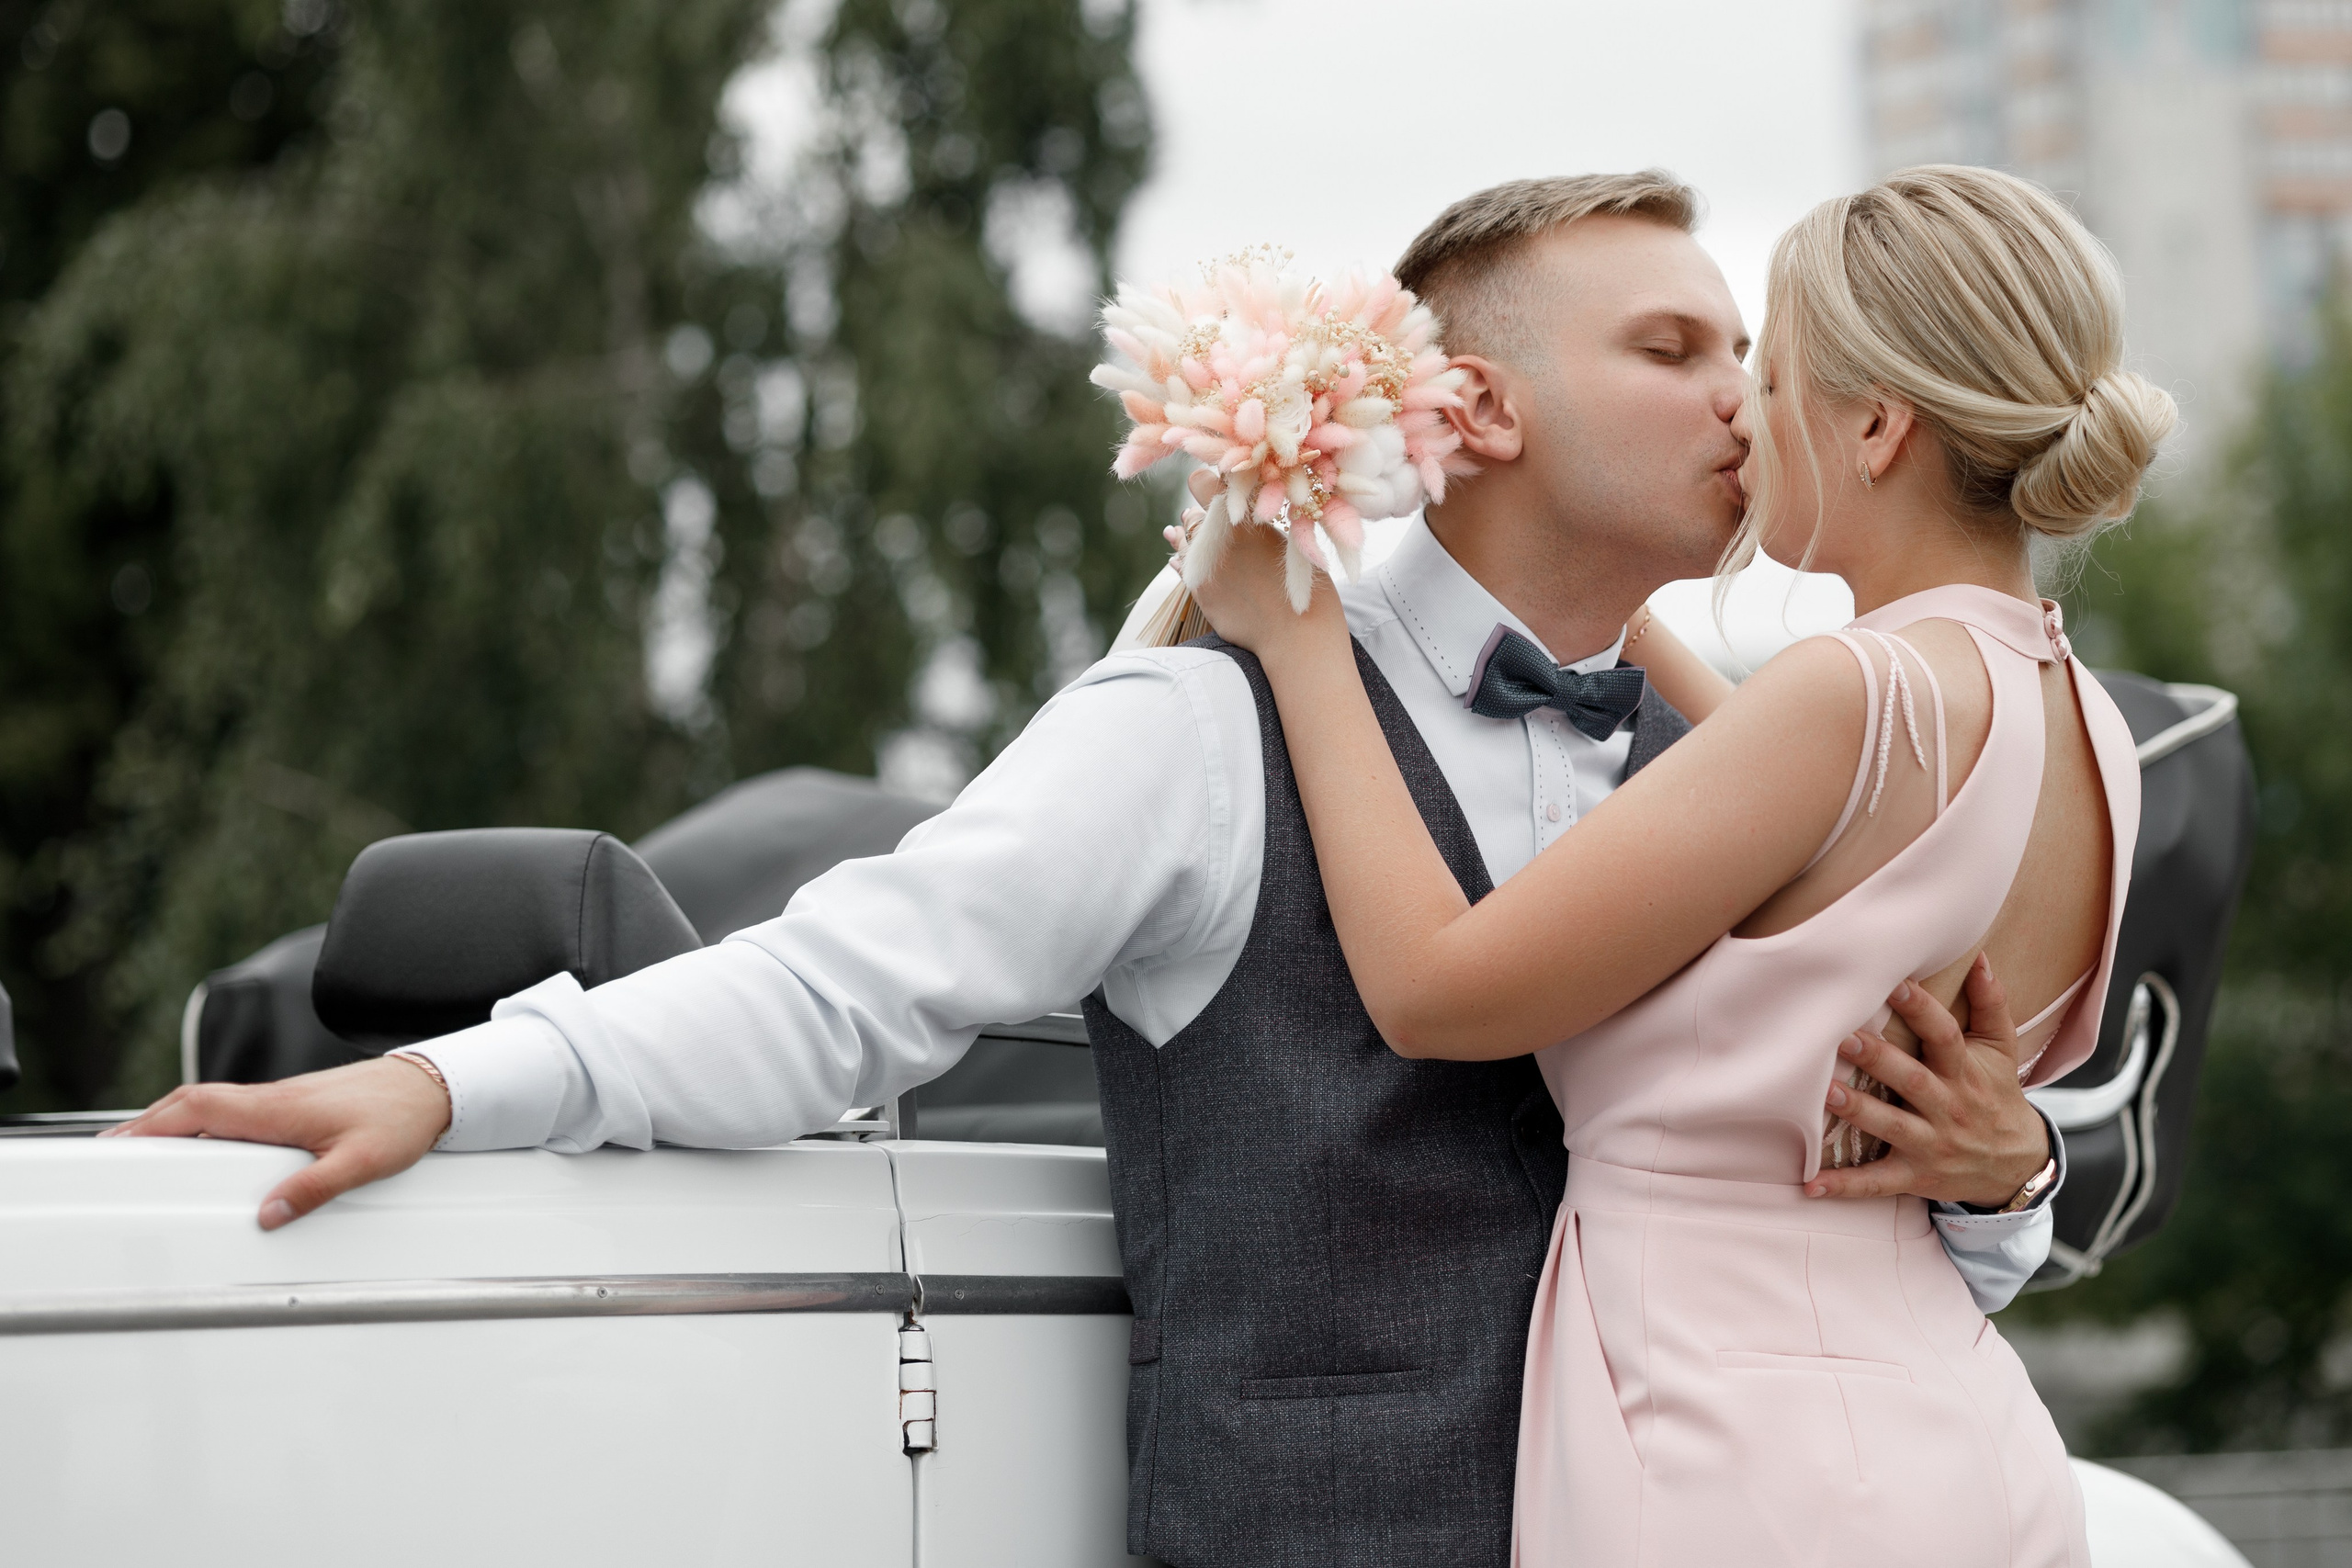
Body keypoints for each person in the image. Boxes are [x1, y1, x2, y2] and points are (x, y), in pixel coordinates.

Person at [104, 174, 2065, 1568]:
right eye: (1671, 346)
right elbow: (841, 982)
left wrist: (2008, 1169)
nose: (1746, 393)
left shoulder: (1737, 764)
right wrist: (452, 1076)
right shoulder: (1197, 726)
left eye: (1747, 347)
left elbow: (1855, 1201)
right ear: (1465, 409)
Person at [1188, 164, 2167, 1565]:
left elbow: (1434, 990)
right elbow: (1837, 866)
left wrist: (1296, 640)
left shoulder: (1851, 695)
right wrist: (1623, 621)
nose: (1742, 409)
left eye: (1773, 372)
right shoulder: (2081, 725)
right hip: (1965, 1453)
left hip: (1733, 1456)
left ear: (1878, 425)